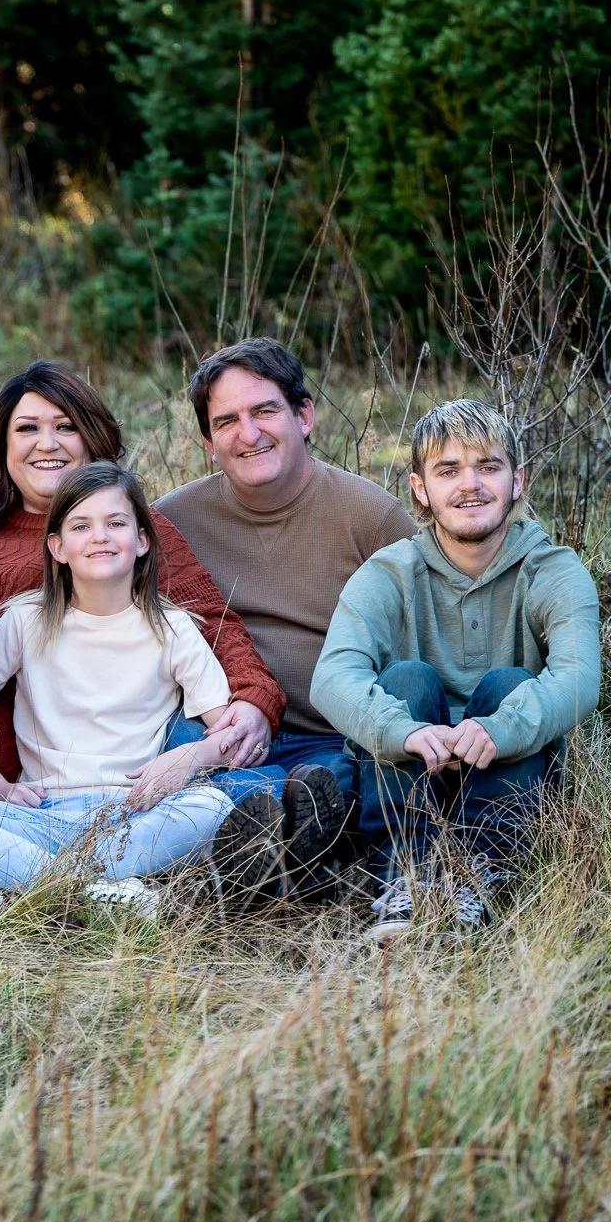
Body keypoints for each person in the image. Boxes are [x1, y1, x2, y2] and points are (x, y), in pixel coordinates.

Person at [0, 361, 286, 849]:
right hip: (5, 781)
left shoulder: (133, 529)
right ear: (2, 445)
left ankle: (265, 839)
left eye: (65, 427)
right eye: (28, 429)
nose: (47, 443)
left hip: (127, 766)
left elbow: (214, 625)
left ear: (90, 437)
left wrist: (255, 698)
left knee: (229, 771)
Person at [310, 400, 600, 939]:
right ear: (420, 489)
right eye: (448, 471)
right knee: (407, 681)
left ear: (518, 480)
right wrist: (407, 731)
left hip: (514, 774)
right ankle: (407, 877)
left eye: (488, 467)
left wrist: (500, 728)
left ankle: (477, 878)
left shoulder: (553, 568)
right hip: (409, 774)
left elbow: (580, 678)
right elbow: (332, 678)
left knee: (510, 685)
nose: (471, 485)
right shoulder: (391, 572)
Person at [0, 463, 240, 916]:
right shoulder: (26, 621)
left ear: (142, 540)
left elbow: (228, 736)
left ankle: (27, 887)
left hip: (131, 814)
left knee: (212, 807)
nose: (100, 536)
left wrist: (191, 757)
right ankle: (97, 893)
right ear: (58, 547)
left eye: (116, 523)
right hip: (39, 812)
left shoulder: (171, 627)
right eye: (81, 525)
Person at [154, 338, 415, 901]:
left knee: (335, 785)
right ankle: (261, 833)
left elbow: (423, 643)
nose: (248, 434)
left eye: (265, 411)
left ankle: (266, 840)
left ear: (304, 415)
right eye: (227, 421)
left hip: (331, 739)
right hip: (217, 733)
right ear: (207, 442)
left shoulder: (372, 519)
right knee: (174, 750)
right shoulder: (171, 523)